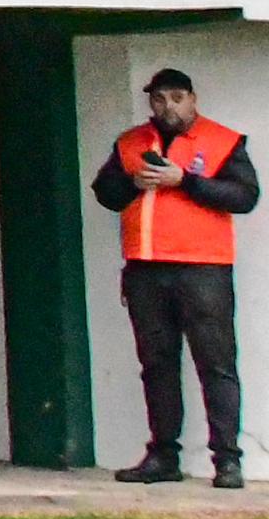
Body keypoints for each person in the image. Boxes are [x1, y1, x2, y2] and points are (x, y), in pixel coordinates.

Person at [97, 67, 252, 490]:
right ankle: (163, 455)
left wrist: (185, 182)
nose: (169, 106)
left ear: (193, 99)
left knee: (216, 364)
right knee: (157, 364)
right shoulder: (131, 143)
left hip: (203, 268)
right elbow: (105, 194)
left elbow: (244, 196)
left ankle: (227, 460)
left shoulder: (223, 141)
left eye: (177, 97)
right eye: (160, 99)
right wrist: (134, 181)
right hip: (146, 267)